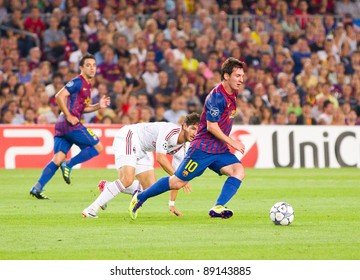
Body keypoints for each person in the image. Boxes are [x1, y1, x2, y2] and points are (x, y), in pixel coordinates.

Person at [129, 57, 246, 220]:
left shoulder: (233, 93)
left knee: (238, 171)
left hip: (219, 150)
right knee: (177, 182)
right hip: (202, 149)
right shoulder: (217, 97)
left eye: (242, 76)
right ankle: (140, 197)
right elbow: (211, 126)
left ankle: (218, 207)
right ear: (226, 76)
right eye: (237, 76)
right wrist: (232, 141)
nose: (241, 79)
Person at [82, 112, 200, 218]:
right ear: (184, 126)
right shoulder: (170, 131)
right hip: (130, 136)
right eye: (193, 128)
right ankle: (91, 209)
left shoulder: (184, 149)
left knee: (150, 187)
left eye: (197, 130)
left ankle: (108, 187)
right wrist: (178, 176)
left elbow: (175, 180)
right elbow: (160, 158)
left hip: (142, 149)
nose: (195, 133)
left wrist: (172, 204)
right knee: (127, 179)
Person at [29, 54, 111, 199]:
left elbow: (82, 108)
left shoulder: (87, 85)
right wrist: (68, 115)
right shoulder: (78, 82)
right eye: (88, 65)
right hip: (69, 124)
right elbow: (59, 96)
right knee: (98, 147)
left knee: (58, 157)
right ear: (81, 67)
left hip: (62, 126)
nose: (92, 68)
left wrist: (99, 106)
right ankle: (69, 164)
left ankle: (37, 187)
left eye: (94, 65)